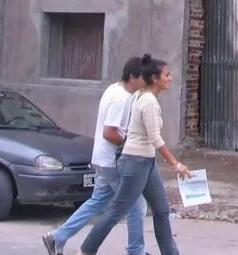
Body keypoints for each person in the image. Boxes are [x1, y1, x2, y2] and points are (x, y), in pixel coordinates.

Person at [78, 54, 190, 255]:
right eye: (167, 75)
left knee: (162, 210)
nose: (170, 78)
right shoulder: (147, 101)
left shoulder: (144, 97)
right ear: (155, 79)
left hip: (145, 161)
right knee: (116, 211)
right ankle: (86, 250)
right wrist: (176, 164)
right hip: (135, 161)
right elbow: (156, 139)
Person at [42, 57, 149, 255]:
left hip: (101, 159)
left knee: (97, 201)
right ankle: (136, 251)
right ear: (133, 77)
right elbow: (109, 132)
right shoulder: (122, 98)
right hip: (112, 162)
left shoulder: (113, 89)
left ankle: (57, 236)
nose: (147, 82)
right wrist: (131, 145)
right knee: (136, 205)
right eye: (144, 78)